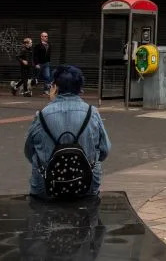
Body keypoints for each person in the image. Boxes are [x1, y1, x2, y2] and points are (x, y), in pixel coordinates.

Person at [24, 65, 110, 200]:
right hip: (86, 186)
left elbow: (29, 152)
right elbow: (105, 150)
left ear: (55, 87)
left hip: (47, 188)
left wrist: (52, 105)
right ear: (80, 89)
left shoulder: (41, 116)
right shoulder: (92, 113)